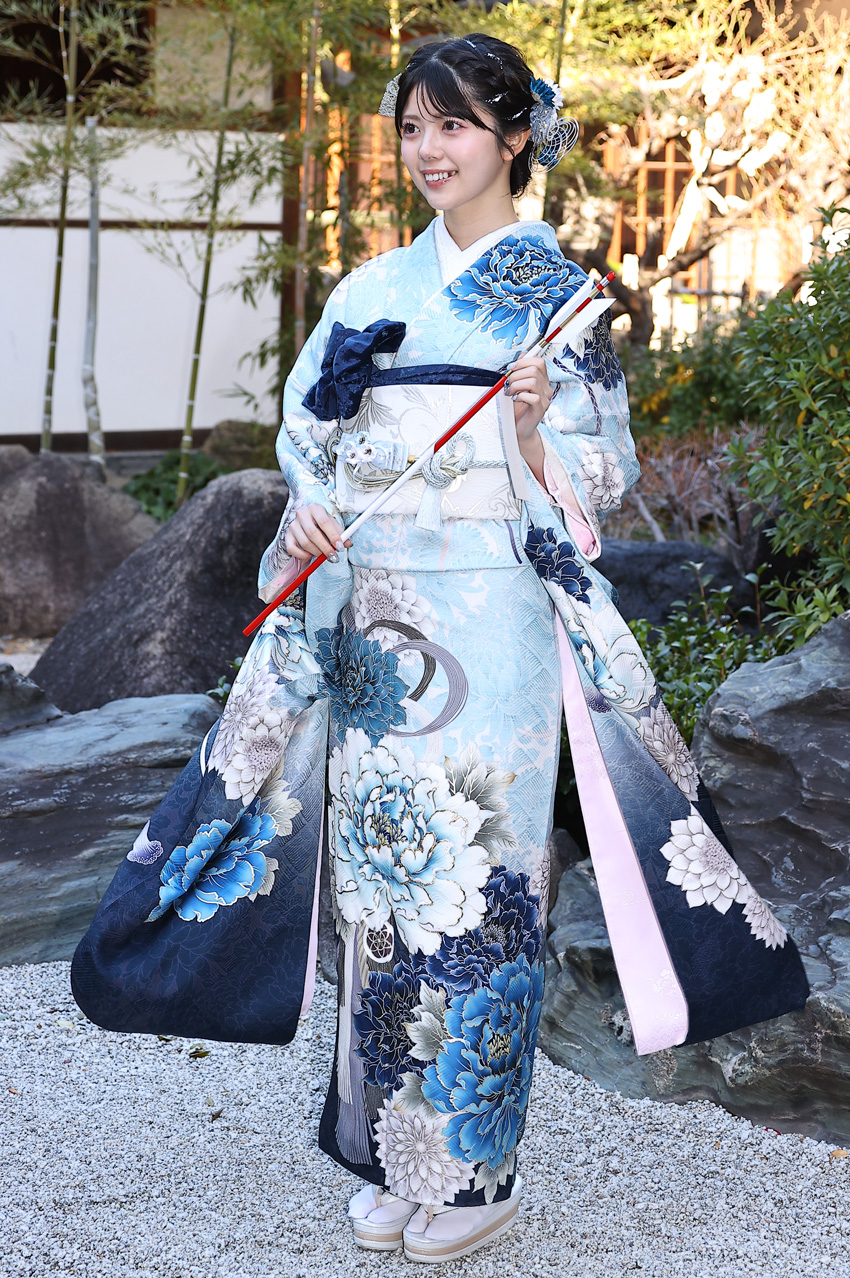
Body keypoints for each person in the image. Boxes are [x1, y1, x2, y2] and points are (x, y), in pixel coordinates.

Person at [71, 31, 809, 1268]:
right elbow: (310, 436)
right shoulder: (368, 290)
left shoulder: (559, 300)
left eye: (455, 124)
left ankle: (472, 1173)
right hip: (376, 625)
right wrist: (311, 509)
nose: (428, 149)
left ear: (516, 136)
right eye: (413, 127)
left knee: (477, 887)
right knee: (379, 890)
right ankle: (386, 1152)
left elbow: (603, 476)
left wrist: (532, 433)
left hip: (492, 621)